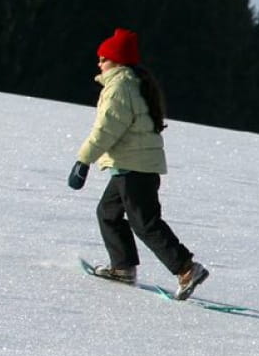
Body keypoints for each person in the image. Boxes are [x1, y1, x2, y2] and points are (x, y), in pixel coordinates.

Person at [70, 28, 209, 300]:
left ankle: (186, 268)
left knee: (145, 223)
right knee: (108, 213)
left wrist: (82, 160)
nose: (99, 63)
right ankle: (122, 268)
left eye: (103, 58)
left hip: (135, 169)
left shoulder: (120, 87)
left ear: (116, 61)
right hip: (132, 166)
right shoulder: (132, 83)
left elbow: (107, 129)